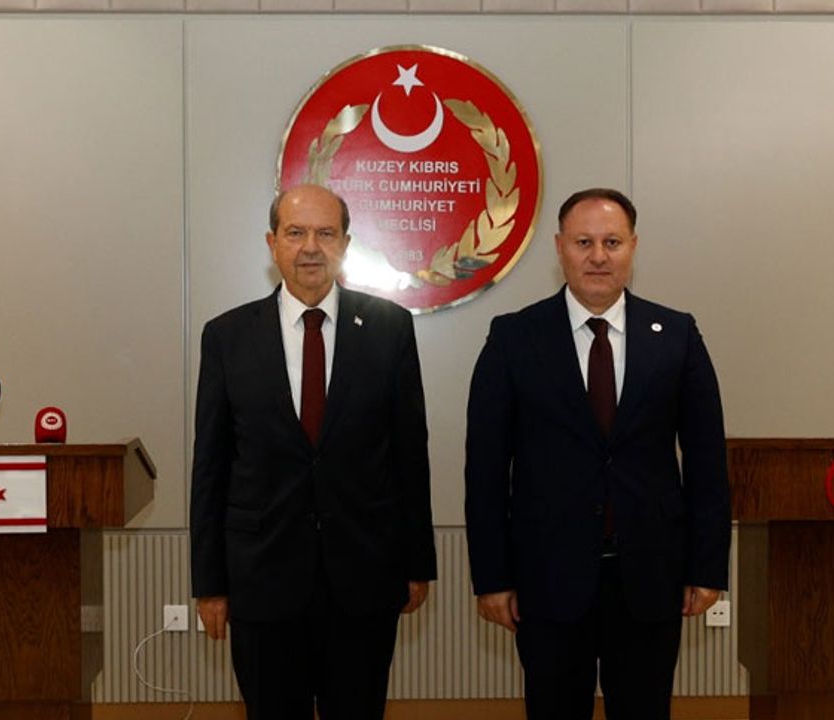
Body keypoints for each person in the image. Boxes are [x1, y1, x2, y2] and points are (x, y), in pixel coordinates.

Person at [464, 188, 730, 719]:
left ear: (634, 247)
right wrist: (492, 577)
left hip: (651, 578)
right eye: (583, 242)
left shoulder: (677, 335)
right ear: (560, 248)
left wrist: (707, 568)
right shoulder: (514, 338)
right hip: (548, 581)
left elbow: (706, 463)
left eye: (612, 242)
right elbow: (486, 470)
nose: (598, 256)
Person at [191, 184, 436, 720]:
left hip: (365, 577)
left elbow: (409, 454)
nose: (310, 247)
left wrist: (418, 562)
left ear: (345, 243)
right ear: (272, 243)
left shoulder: (390, 328)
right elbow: (210, 467)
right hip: (262, 580)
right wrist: (209, 584)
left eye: (325, 233)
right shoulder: (227, 336)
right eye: (295, 232)